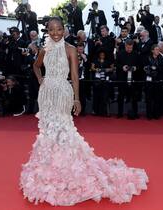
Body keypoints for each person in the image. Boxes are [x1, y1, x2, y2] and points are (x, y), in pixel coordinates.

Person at [20, 17, 148, 206]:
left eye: (59, 29)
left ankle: (66, 165)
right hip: (46, 95)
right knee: (48, 130)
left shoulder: (71, 49)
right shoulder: (44, 48)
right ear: (47, 31)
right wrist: (41, 80)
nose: (55, 33)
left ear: (64, 30)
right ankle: (50, 164)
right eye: (51, 30)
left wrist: (77, 98)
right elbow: (36, 66)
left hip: (63, 93)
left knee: (63, 129)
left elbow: (74, 76)